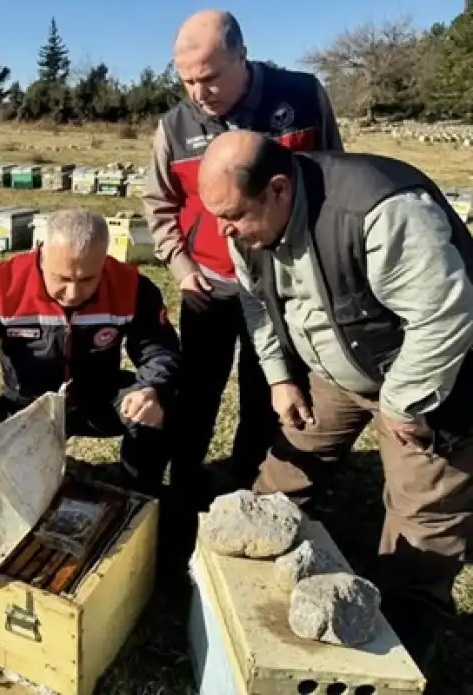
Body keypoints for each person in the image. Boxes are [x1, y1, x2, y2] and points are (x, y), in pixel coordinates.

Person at [197, 128, 473, 671]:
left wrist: (401, 404)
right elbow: (256, 303)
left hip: (436, 383)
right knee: (278, 482)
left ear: (278, 190)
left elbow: (444, 316)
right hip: (341, 370)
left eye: (233, 216)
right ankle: (244, 598)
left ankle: (399, 652)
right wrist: (279, 376)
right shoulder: (246, 223)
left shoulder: (381, 210)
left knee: (422, 527)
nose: (223, 231)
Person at [142, 9, 345, 495]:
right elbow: (158, 203)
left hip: (285, 286)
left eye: (209, 78)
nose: (198, 92)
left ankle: (250, 479)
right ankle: (185, 477)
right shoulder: (174, 127)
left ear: (242, 55)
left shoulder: (301, 97)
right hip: (209, 284)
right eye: (187, 80)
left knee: (267, 388)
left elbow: (335, 181)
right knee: (197, 390)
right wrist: (182, 265)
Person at [0, 208, 183, 497]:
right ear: (41, 253)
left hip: (97, 397)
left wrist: (151, 388)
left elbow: (161, 351)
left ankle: (136, 498)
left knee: (162, 408)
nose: (73, 293)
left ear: (105, 260)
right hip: (28, 404)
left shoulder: (131, 286)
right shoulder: (1, 285)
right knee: (9, 492)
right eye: (61, 278)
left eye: (87, 279)